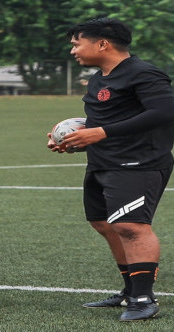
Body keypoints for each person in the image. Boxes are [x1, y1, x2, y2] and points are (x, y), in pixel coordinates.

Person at [48, 18, 174, 322]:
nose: (74, 50)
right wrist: (72, 138)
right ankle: (130, 291)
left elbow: (165, 111)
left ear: (103, 43)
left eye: (77, 43)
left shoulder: (143, 73)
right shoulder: (99, 78)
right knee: (103, 224)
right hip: (103, 162)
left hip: (138, 163)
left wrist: (101, 133)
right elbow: (103, 121)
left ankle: (144, 299)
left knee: (131, 227)